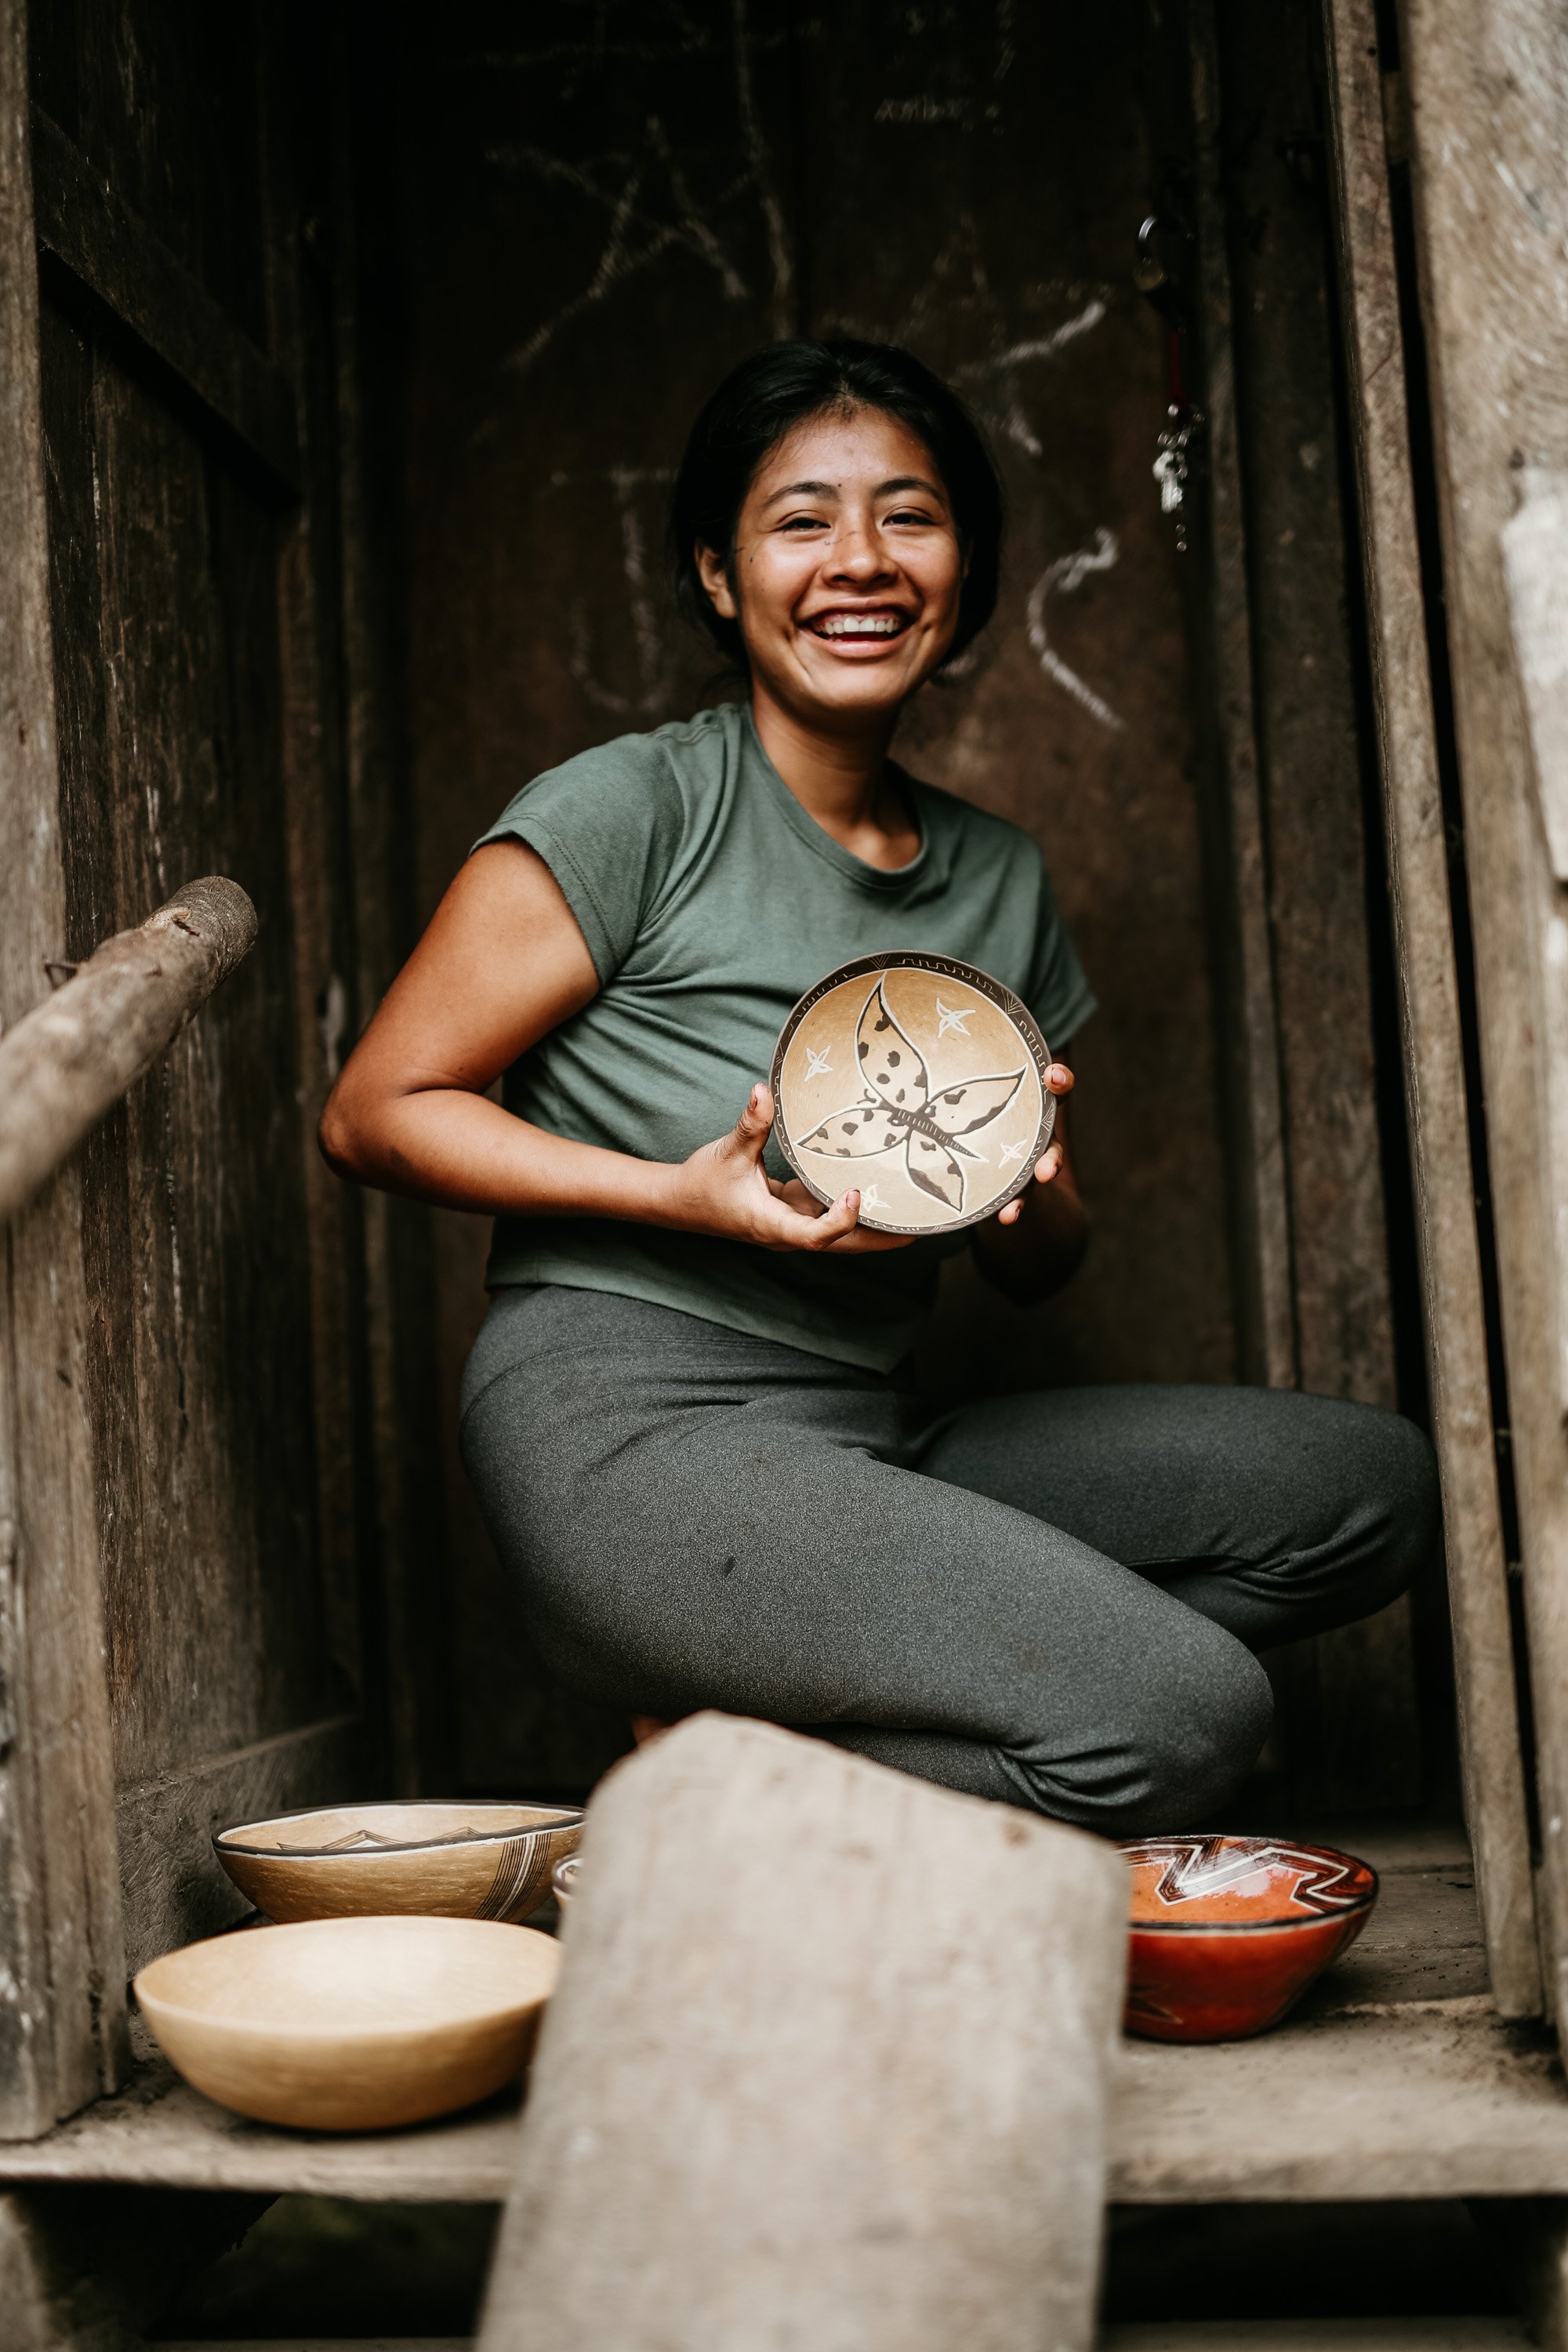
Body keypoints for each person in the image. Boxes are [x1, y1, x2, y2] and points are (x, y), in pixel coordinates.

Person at [321, 339, 1437, 1835]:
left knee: (1374, 1492)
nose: (862, 561)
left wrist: (1026, 1178)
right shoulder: (637, 808)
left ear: (964, 570)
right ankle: (703, 1780)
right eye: (801, 522)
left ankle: (772, 1710)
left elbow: (1041, 1274)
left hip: (876, 1430)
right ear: (719, 576)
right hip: (629, 1433)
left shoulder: (1000, 877)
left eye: (909, 516)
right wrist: (685, 1197)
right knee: (1186, 1717)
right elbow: (376, 1110)